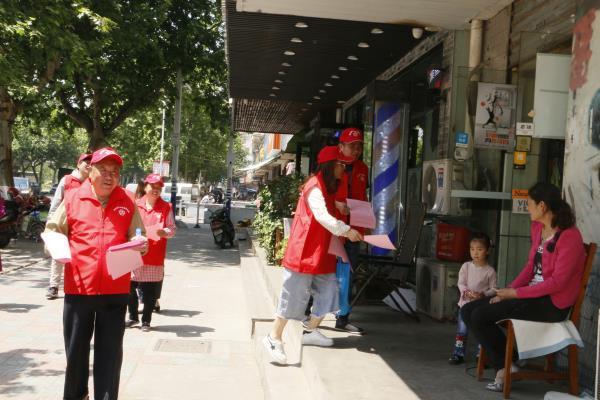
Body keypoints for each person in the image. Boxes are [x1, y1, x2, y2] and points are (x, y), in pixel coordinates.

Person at [461, 182, 586, 392]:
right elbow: (530, 267)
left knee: (480, 316)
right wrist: (505, 292)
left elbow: (557, 283)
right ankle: (512, 363)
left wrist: (515, 293)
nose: (527, 208)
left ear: (542, 206)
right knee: (467, 310)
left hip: (552, 304)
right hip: (530, 296)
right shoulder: (538, 228)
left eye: (529, 204)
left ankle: (506, 366)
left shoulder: (570, 237)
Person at [45, 147, 148, 400]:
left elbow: (138, 236)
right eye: (103, 170)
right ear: (90, 171)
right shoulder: (72, 198)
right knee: (76, 352)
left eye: (114, 172)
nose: (109, 176)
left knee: (110, 354)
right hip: (79, 288)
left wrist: (141, 244)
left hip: (115, 291)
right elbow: (53, 229)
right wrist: (55, 245)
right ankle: (76, 395)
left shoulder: (127, 201)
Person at [262, 146, 363, 364]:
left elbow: (329, 210)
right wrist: (347, 230)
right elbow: (323, 217)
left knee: (329, 292)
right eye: (341, 165)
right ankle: (273, 337)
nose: (344, 170)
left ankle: (310, 332)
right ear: (331, 166)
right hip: (304, 254)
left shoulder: (325, 187)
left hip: (320, 254)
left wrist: (341, 209)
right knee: (293, 299)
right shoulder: (315, 187)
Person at [126, 173, 176, 331]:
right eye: (153, 187)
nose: (156, 190)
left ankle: (146, 320)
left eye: (159, 187)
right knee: (128, 286)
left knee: (149, 290)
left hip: (155, 253)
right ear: (145, 187)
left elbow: (172, 229)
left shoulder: (166, 207)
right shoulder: (135, 204)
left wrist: (165, 231)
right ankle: (133, 316)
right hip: (135, 252)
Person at [334, 127, 369, 334]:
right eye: (352, 145)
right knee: (324, 273)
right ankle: (309, 313)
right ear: (341, 146)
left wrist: (364, 225)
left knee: (348, 273)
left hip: (354, 230)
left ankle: (343, 317)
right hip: (333, 229)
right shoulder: (332, 166)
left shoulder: (363, 169)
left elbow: (361, 199)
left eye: (359, 146)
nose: (356, 150)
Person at [46, 153, 92, 300]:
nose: (89, 165)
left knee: (79, 256)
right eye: (86, 162)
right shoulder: (67, 180)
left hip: (83, 225)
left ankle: (79, 285)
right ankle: (53, 286)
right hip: (64, 223)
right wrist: (51, 223)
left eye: (91, 163)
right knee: (58, 255)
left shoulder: (92, 182)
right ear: (78, 164)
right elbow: (56, 204)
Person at [448, 232, 497, 365]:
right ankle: (458, 354)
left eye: (480, 249)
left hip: (481, 307)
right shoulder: (466, 266)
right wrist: (466, 292)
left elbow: (494, 289)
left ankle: (481, 356)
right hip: (465, 304)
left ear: (487, 251)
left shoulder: (490, 271)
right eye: (472, 249)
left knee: (481, 331)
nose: (475, 253)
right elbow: (461, 283)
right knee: (462, 331)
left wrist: (483, 295)